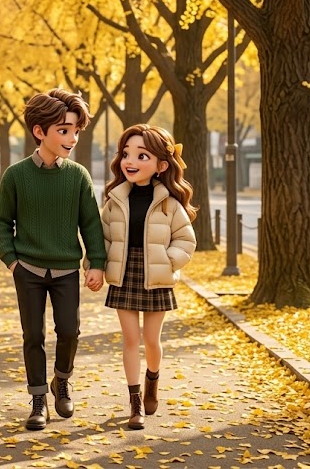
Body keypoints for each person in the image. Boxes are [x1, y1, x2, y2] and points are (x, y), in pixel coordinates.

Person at [0, 88, 107, 431]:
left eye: (75, 131)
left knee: (69, 331)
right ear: (39, 132)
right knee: (33, 335)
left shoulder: (78, 177)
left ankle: (62, 380)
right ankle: (38, 400)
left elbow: (91, 224)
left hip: (66, 270)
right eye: (63, 130)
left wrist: (95, 262)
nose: (71, 138)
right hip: (27, 269)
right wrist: (12, 261)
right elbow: (0, 221)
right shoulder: (16, 175)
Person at [100, 124, 197, 430]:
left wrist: (168, 262)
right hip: (124, 273)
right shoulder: (115, 200)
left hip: (157, 275)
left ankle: (152, 379)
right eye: (126, 154)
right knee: (130, 340)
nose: (131, 161)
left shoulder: (169, 203)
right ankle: (135, 403)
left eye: (142, 155)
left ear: (161, 165)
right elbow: (100, 239)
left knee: (151, 341)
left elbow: (186, 241)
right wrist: (96, 265)